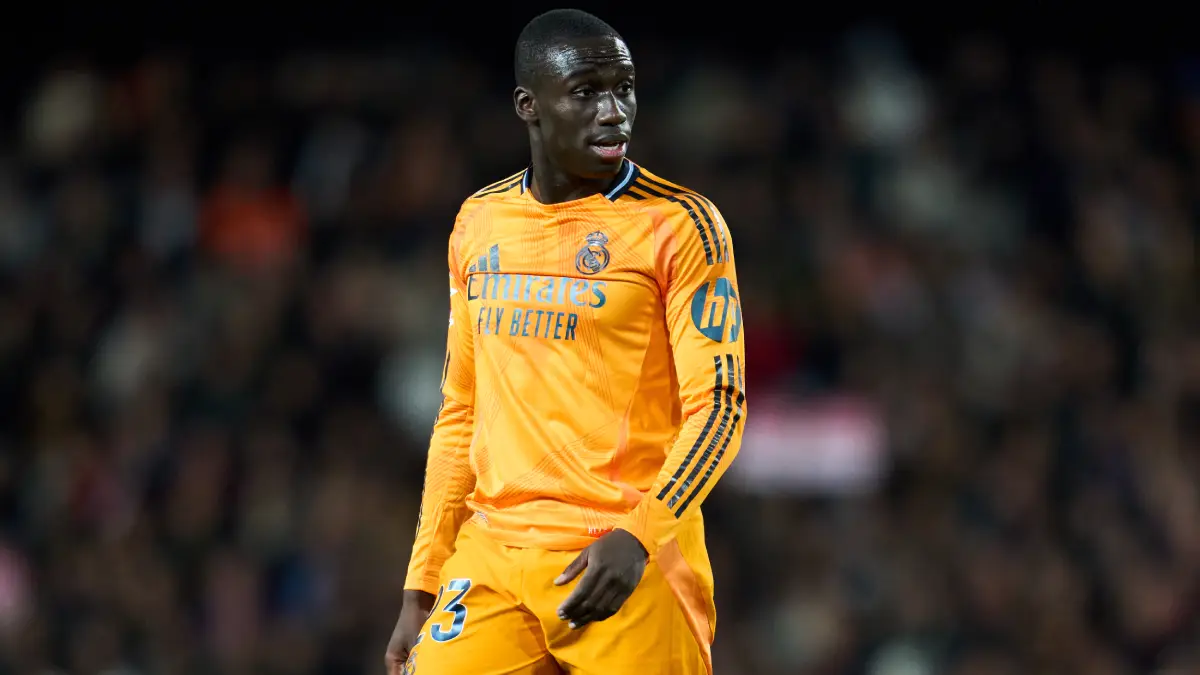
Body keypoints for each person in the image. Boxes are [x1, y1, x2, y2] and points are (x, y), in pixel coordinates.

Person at [384, 8, 746, 675]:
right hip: (493, 560)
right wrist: (423, 579)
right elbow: (461, 411)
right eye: (587, 92)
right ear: (529, 105)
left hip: (627, 562)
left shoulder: (679, 225)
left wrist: (639, 535)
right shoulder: (480, 223)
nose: (614, 112)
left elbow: (721, 406)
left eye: (624, 88)